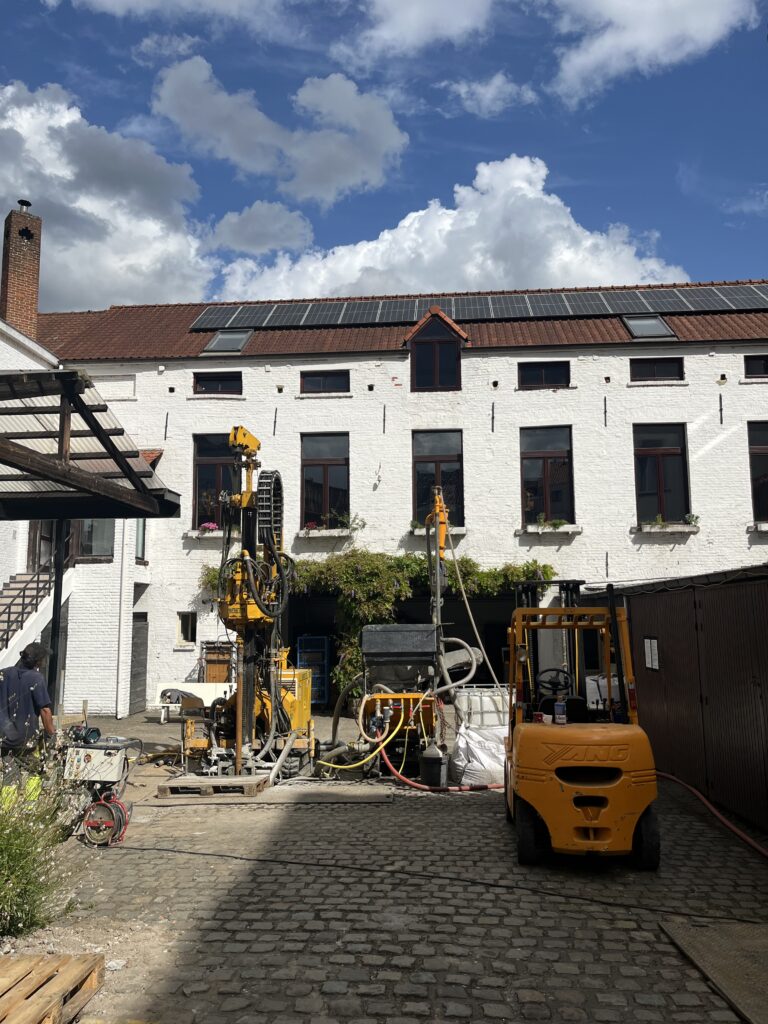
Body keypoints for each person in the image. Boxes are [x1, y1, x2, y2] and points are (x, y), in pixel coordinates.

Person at [0, 642, 56, 754]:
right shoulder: (36, 678)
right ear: (38, 661)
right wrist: (52, 735)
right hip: (25, 742)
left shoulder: (4, 674)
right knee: (30, 765)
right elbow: (45, 710)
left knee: (7, 765)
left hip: (3, 741)